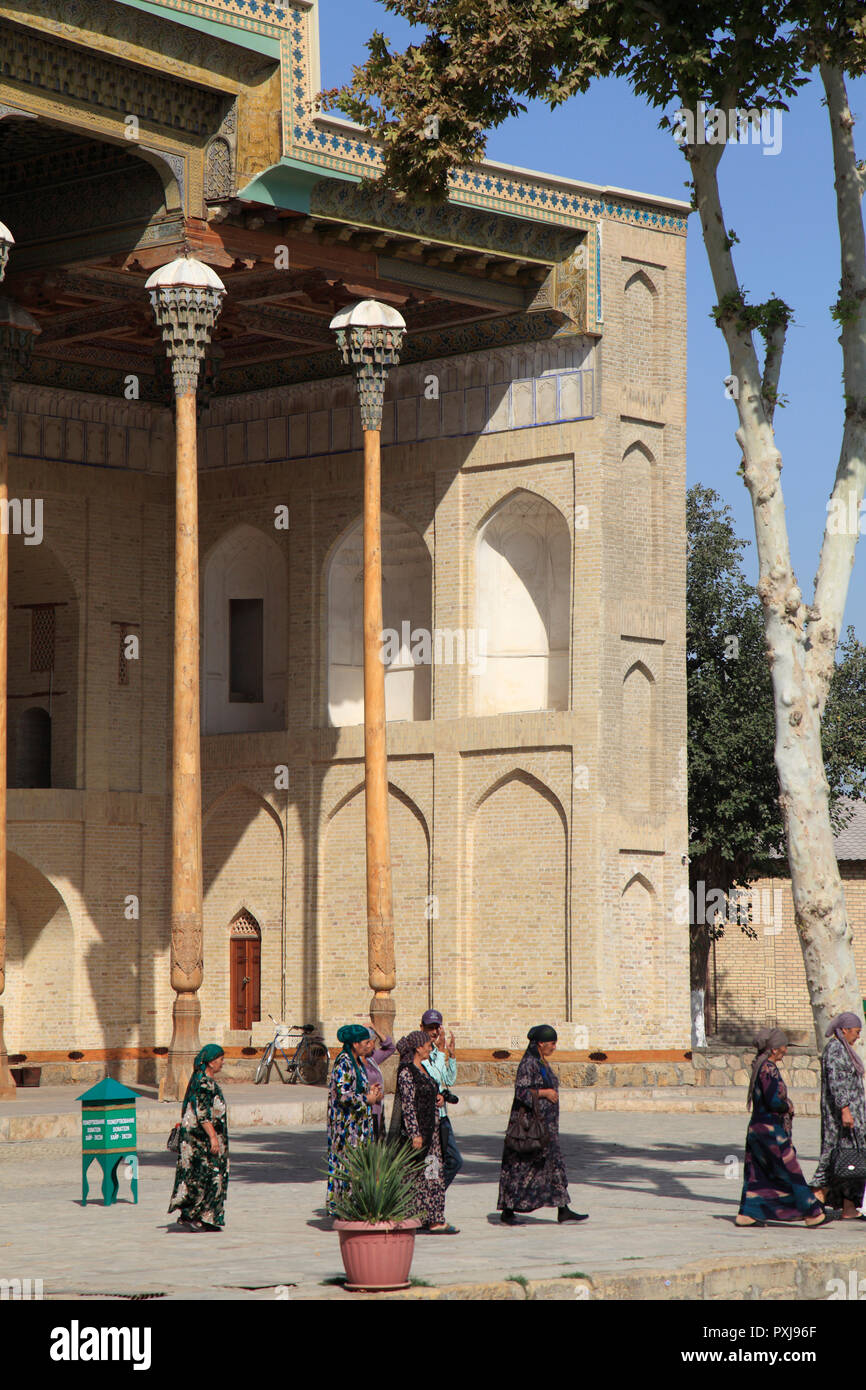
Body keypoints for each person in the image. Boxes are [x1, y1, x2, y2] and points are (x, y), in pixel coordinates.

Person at [735, 1027, 827, 1227]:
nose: (786, 1050)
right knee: (790, 1169)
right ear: (775, 1049)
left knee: (757, 1173)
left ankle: (747, 1213)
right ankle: (811, 1212)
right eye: (784, 1046)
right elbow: (773, 1101)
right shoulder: (768, 1069)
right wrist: (788, 1105)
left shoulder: (760, 1067)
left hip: (757, 1129)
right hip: (771, 1131)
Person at [498, 1024, 587, 1225]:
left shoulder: (540, 1062)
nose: (554, 1047)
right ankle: (508, 1210)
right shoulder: (528, 1063)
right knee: (520, 1168)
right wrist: (545, 1093)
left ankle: (563, 1208)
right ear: (540, 1043)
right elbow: (521, 1093)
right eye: (552, 1043)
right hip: (530, 1129)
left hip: (547, 1129)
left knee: (554, 1165)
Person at [389, 1030, 458, 1234]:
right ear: (418, 1048)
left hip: (432, 1135)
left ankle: (434, 1218)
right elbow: (408, 1105)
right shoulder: (406, 1072)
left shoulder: (423, 1069)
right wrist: (414, 1133)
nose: (430, 1047)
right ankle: (414, 1218)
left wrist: (438, 1097)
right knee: (415, 1177)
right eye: (428, 1044)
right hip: (418, 1136)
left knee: (433, 1176)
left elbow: (426, 1091)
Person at [168, 1043, 230, 1231]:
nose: (222, 1063)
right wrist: (213, 1137)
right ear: (211, 1062)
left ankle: (207, 1217)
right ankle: (194, 1216)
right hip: (200, 1140)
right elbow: (203, 1114)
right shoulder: (203, 1083)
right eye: (220, 1059)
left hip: (201, 1139)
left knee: (207, 1176)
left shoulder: (204, 1080)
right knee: (205, 1176)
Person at [812, 1011, 866, 1218]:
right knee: (833, 1158)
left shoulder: (844, 1050)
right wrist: (845, 1111)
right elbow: (837, 1083)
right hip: (839, 1120)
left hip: (852, 1118)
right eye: (856, 1032)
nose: (858, 1036)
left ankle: (849, 1208)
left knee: (851, 1162)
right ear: (844, 1030)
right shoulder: (835, 1050)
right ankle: (815, 1202)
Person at [326, 1023, 381, 1215]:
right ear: (355, 1044)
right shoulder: (344, 1062)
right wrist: (367, 1099)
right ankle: (344, 1209)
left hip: (359, 1127)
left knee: (358, 1166)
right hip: (346, 1129)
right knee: (346, 1166)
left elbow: (356, 1089)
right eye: (366, 1042)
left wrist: (371, 1092)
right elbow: (343, 1094)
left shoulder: (357, 1062)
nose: (370, 1045)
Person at [420, 1008, 463, 1188]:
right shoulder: (418, 1055)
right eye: (430, 1027)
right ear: (422, 1027)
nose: (434, 1032)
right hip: (427, 1118)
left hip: (442, 1116)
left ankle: (435, 1194)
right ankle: (429, 1197)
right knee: (430, 1164)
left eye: (437, 1027)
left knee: (454, 1160)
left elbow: (448, 1080)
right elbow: (427, 1079)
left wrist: (451, 1056)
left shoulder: (438, 1054)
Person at [363, 1024, 396, 1140]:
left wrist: (376, 1029)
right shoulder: (356, 1063)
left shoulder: (372, 1059)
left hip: (377, 1110)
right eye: (372, 1041)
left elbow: (391, 1047)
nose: (374, 1045)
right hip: (366, 1111)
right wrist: (371, 1092)